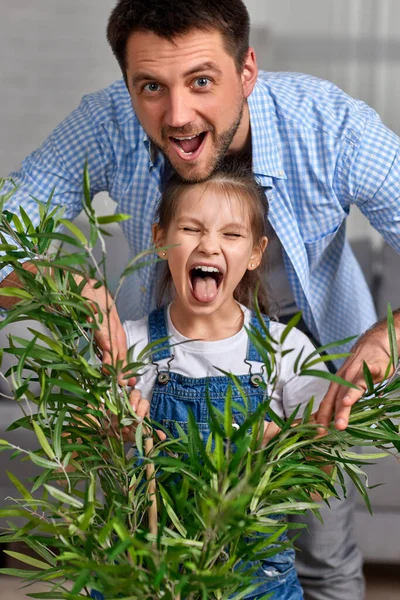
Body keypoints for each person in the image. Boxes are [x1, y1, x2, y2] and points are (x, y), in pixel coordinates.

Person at [3, 0, 400, 597]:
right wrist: (56, 287)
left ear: (247, 71)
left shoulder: (330, 126)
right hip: (172, 347)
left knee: (320, 554)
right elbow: (8, 231)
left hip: (315, 350)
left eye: (202, 81)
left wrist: (389, 335)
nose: (178, 115)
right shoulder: (107, 122)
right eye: (150, 87)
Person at [100, 164, 330, 600]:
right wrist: (115, 430)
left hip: (256, 582)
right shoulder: (128, 344)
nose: (209, 245)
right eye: (191, 228)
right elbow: (82, 455)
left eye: (231, 234)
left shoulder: (286, 348)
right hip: (148, 576)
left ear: (256, 252)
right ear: (159, 239)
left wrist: (281, 445)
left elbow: (319, 478)